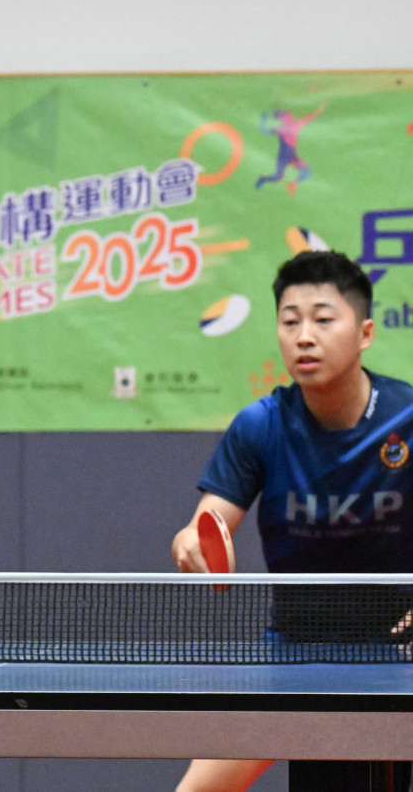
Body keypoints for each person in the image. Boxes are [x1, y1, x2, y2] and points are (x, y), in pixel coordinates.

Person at [169, 250, 413, 792]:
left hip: (400, 653)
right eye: (290, 321)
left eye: (323, 320)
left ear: (365, 333)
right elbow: (207, 524)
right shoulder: (260, 426)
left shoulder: (408, 418)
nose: (304, 337)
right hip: (296, 653)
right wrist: (191, 543)